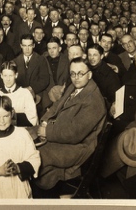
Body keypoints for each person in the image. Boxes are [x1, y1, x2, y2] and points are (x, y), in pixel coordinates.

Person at [31, 58, 106, 191]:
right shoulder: (74, 86)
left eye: (80, 73)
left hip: (77, 147)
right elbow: (56, 106)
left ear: (89, 74)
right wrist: (44, 121)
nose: (76, 78)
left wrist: (46, 132)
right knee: (22, 136)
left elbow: (74, 133)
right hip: (57, 132)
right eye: (73, 73)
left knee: (35, 154)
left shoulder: (94, 100)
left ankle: (33, 190)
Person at [0, 61, 38, 128]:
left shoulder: (25, 93)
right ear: (1, 75)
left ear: (16, 75)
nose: (8, 79)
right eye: (5, 76)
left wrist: (14, 116)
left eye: (11, 75)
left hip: (21, 132)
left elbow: (32, 119)